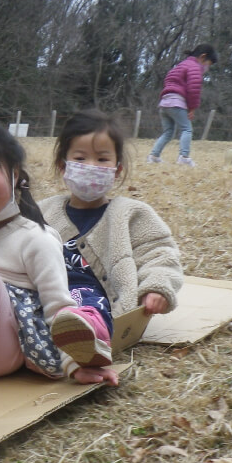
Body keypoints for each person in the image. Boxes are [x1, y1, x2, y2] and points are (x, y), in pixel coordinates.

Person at [0, 119, 119, 422]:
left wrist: (74, 363)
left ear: (15, 175)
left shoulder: (36, 239)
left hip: (13, 346)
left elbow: (59, 309)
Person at [41, 109, 184, 363]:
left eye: (102, 159)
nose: (91, 167)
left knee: (86, 306)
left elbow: (159, 254)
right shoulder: (43, 212)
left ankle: (84, 345)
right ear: (64, 166)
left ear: (117, 169)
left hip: (97, 305)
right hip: (46, 298)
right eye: (81, 158)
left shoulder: (132, 214)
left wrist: (157, 287)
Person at [147, 44, 218, 167]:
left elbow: (168, 82)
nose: (207, 68)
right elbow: (193, 90)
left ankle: (154, 156)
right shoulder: (194, 67)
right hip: (177, 102)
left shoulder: (180, 65)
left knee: (168, 132)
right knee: (187, 129)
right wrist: (192, 107)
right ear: (203, 57)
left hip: (164, 103)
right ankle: (184, 157)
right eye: (208, 64)